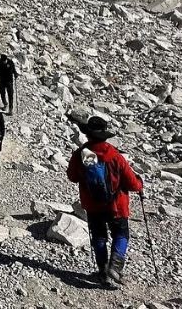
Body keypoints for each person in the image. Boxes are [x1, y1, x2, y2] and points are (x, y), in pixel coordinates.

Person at [66, 116, 143, 287]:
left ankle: (103, 272)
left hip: (93, 205)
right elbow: (132, 183)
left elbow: (72, 176)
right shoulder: (115, 155)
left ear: (88, 135)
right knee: (121, 234)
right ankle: (115, 267)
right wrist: (140, 184)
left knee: (99, 237)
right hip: (116, 206)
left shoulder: (81, 154)